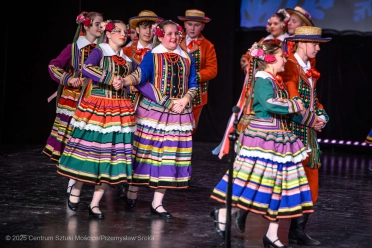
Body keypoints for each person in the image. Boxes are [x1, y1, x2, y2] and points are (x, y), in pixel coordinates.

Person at [210, 42, 313, 248]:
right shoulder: (262, 80)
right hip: (264, 139)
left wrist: (308, 119)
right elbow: (269, 104)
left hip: (279, 138)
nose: (285, 59)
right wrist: (295, 104)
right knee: (256, 184)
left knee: (279, 187)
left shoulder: (277, 80)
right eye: (282, 56)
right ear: (270, 59)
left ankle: (272, 235)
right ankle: (224, 212)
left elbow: (283, 111)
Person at [57, 19, 136, 219]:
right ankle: (76, 190)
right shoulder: (100, 51)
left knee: (110, 156)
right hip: (99, 107)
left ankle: (95, 203)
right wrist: (111, 79)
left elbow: (138, 76)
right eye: (117, 31)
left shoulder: (127, 60)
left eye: (125, 31)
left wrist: (127, 81)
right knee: (89, 152)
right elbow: (87, 68)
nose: (122, 34)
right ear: (108, 34)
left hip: (119, 111)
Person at [121, 20, 198, 218]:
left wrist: (185, 99)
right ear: (160, 36)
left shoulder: (187, 58)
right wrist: (125, 80)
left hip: (179, 113)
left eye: (176, 34)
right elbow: (140, 79)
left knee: (169, 157)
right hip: (153, 113)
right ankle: (133, 188)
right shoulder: (152, 56)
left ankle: (157, 203)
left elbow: (193, 82)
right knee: (145, 153)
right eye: (170, 34)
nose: (174, 37)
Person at [279, 26, 332, 246]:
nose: (318, 48)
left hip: (308, 133)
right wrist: (312, 120)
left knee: (311, 182)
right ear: (301, 43)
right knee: (282, 184)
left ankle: (297, 230)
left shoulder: (309, 67)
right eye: (315, 44)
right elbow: (294, 102)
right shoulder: (290, 66)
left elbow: (313, 99)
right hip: (293, 133)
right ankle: (238, 213)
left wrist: (322, 116)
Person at [43, 11, 103, 194]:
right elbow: (53, 66)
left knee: (89, 141)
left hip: (94, 99)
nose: (101, 28)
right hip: (73, 100)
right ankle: (72, 182)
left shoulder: (104, 49)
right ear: (86, 25)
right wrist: (68, 79)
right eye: (97, 24)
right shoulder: (73, 48)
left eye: (102, 24)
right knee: (72, 140)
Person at [120, 9, 163, 203]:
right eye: (144, 27)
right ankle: (123, 178)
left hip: (150, 102)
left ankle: (137, 183)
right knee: (126, 140)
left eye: (151, 27)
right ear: (136, 30)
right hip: (128, 100)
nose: (147, 31)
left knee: (143, 143)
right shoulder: (127, 51)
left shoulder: (160, 52)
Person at [178, 9, 218, 134]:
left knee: (191, 126)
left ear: (202, 26)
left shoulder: (207, 45)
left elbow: (212, 70)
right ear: (184, 24)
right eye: (190, 24)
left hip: (197, 93)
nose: (192, 28)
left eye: (196, 25)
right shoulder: (176, 40)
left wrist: (195, 76)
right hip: (175, 89)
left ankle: (186, 151)